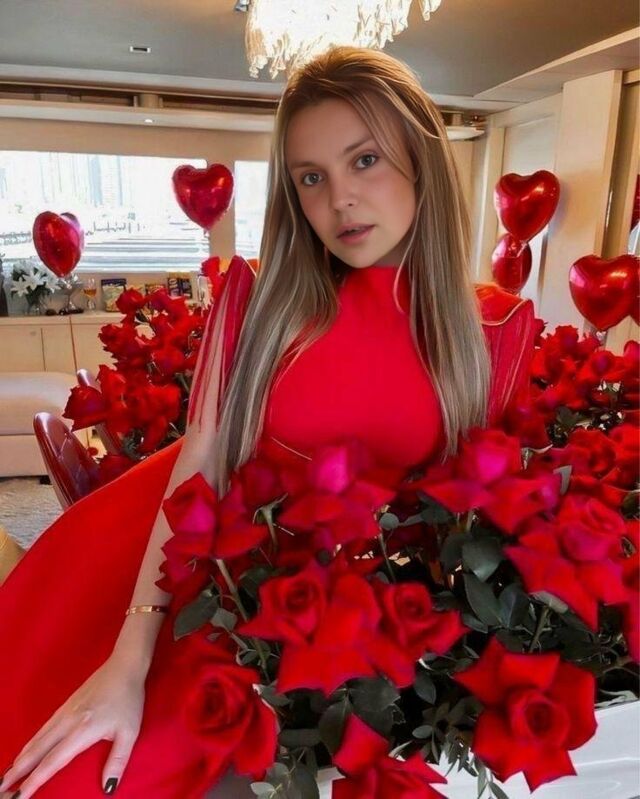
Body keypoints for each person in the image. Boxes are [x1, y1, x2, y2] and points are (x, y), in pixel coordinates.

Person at [0, 45, 534, 798]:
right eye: (310, 177)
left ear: (423, 161)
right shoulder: (261, 301)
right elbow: (199, 465)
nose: (339, 200)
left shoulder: (494, 335)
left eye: (365, 160)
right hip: (182, 569)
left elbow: (467, 530)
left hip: (326, 617)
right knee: (62, 769)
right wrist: (129, 658)